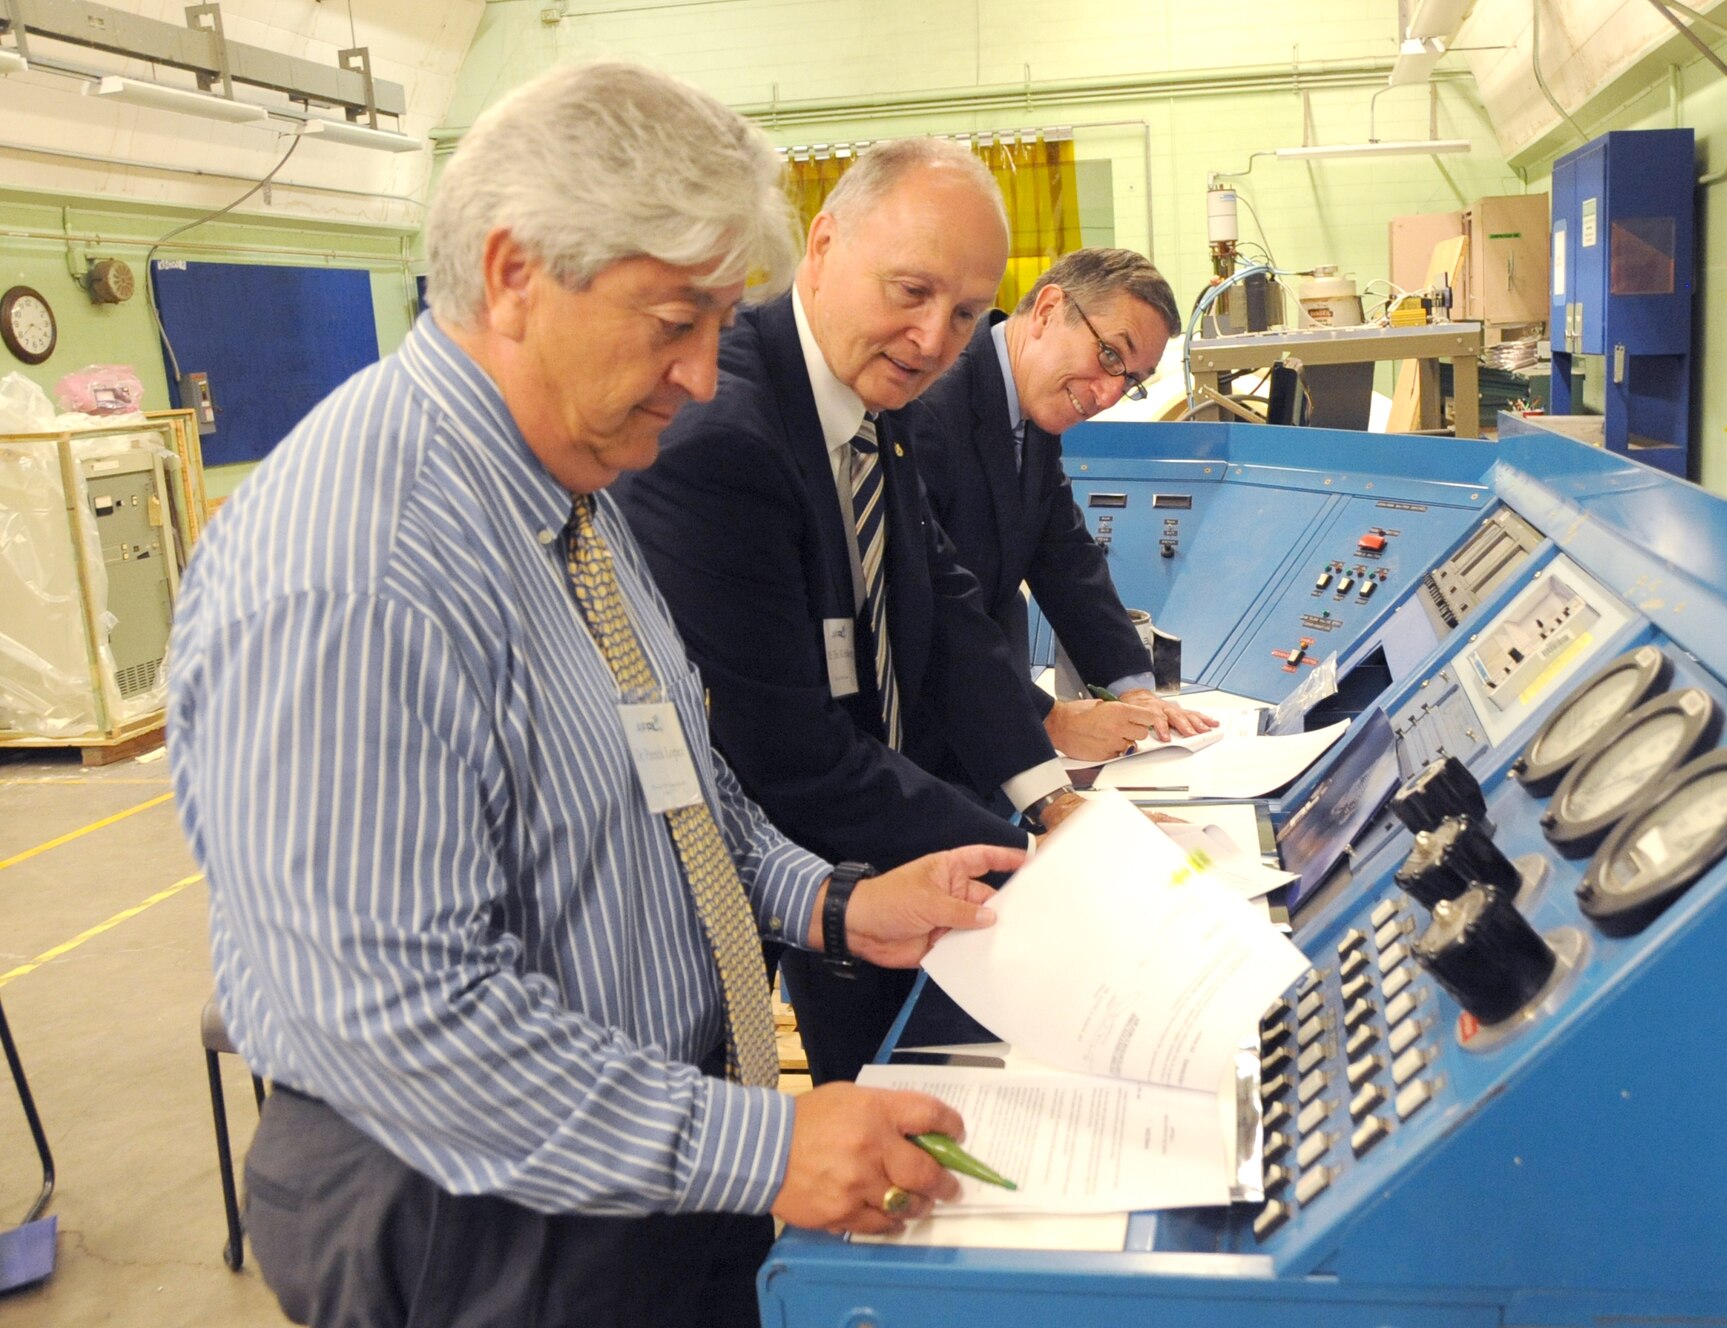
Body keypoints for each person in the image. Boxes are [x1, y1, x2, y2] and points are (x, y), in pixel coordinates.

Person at [166, 63, 1023, 1328]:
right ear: (514, 274)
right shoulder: (361, 570)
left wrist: (835, 901)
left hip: (637, 1154)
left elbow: (680, 783)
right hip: (475, 1218)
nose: (697, 372)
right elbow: (403, 1020)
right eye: (672, 321)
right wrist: (768, 1149)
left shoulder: (567, 482)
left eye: (718, 324)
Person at [614, 140, 1126, 1086]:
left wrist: (1049, 799)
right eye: (911, 291)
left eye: (967, 312)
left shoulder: (866, 388)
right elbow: (786, 753)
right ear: (822, 244)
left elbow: (949, 605)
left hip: (860, 839)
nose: (935, 339)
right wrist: (1027, 858)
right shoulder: (725, 439)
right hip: (751, 879)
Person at [906, 247, 1216, 759]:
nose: (1111, 394)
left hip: (985, 720)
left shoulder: (1030, 406)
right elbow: (926, 613)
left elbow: (1064, 555)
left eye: (1132, 380)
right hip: (928, 738)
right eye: (1112, 355)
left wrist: (1134, 688)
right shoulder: (931, 407)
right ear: (1049, 311)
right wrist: (1046, 720)